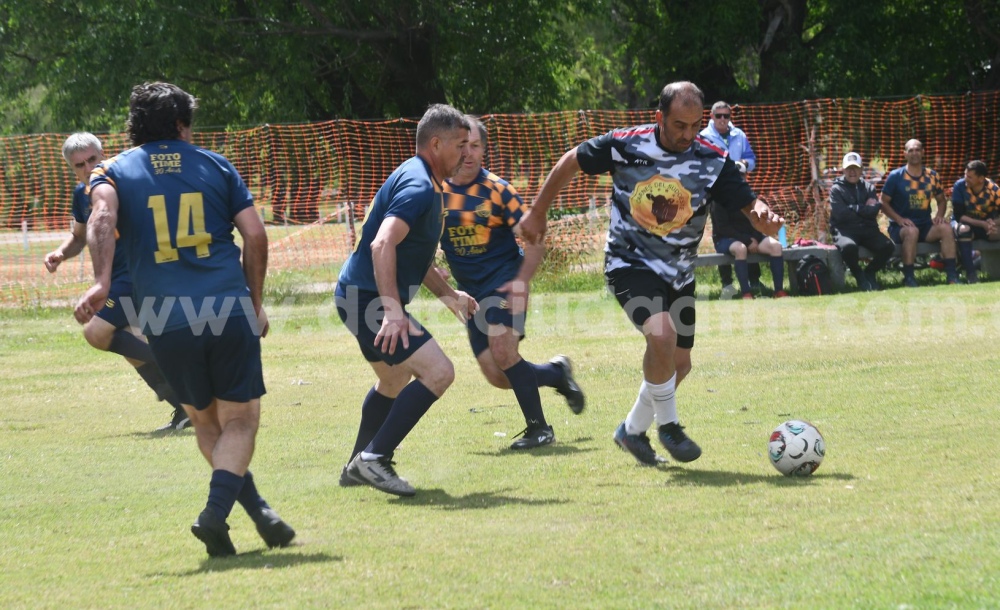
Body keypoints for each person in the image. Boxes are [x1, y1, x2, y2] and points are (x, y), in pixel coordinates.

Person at [74, 82, 294, 557]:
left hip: (162, 316)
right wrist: (253, 302)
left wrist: (102, 280)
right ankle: (216, 515)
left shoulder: (110, 170)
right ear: (180, 124)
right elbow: (255, 236)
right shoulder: (215, 164)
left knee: (205, 421)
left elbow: (101, 220)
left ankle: (258, 514)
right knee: (240, 420)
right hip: (225, 306)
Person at [518, 81, 783, 466]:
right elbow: (572, 159)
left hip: (679, 272)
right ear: (659, 117)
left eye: (695, 126)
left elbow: (747, 202)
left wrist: (762, 215)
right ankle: (669, 426)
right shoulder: (626, 144)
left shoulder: (712, 157)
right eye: (679, 125)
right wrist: (538, 211)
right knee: (661, 335)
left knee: (679, 363)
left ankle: (631, 430)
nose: (687, 135)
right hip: (630, 263)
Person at [335, 104, 476, 497]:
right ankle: (374, 459)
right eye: (461, 145)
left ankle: (356, 466)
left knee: (394, 379)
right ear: (436, 143)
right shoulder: (418, 187)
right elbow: (383, 244)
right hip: (366, 300)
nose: (468, 153)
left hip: (355, 295)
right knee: (439, 372)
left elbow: (411, 254)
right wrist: (393, 312)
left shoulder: (423, 179)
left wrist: (449, 295)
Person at [428, 115, 585, 450]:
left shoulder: (498, 191)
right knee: (498, 376)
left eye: (475, 146)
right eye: (462, 146)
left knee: (503, 351)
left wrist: (522, 282)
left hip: (504, 283)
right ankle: (556, 373)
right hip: (470, 295)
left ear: (484, 150)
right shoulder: (436, 192)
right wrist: (432, 270)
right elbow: (425, 237)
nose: (468, 153)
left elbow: (535, 239)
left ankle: (539, 429)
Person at [44, 132, 189, 433]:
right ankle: (185, 406)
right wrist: (60, 252)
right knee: (130, 346)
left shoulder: (123, 187)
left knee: (96, 332)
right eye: (79, 165)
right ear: (72, 168)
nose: (87, 168)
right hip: (120, 280)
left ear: (103, 155)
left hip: (138, 276)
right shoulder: (80, 195)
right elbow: (79, 236)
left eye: (92, 160)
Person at [700, 101, 762, 298]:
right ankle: (727, 282)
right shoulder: (703, 137)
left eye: (726, 116)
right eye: (718, 116)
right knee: (721, 230)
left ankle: (754, 279)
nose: (723, 119)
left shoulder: (739, 135)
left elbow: (752, 160)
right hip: (713, 191)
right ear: (711, 116)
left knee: (748, 228)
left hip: (738, 188)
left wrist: (743, 163)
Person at [879, 139, 958, 286]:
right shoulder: (896, 176)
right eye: (910, 150)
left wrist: (939, 217)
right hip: (900, 229)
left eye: (917, 150)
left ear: (923, 153)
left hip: (925, 226)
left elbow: (942, 200)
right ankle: (909, 278)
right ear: (905, 154)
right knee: (911, 231)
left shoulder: (932, 176)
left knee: (946, 228)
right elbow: (883, 202)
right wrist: (899, 219)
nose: (914, 153)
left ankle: (952, 276)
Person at [828, 152, 895, 291]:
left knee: (888, 246)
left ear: (861, 169)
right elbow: (841, 215)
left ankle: (869, 272)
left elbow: (874, 211)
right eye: (849, 168)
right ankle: (858, 275)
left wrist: (853, 208)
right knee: (848, 247)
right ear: (844, 170)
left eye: (855, 168)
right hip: (844, 230)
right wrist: (863, 208)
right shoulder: (836, 189)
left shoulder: (869, 187)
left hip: (867, 229)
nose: (852, 172)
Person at [710, 190, 788, 300]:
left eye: (743, 175)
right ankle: (746, 293)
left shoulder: (749, 197)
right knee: (740, 249)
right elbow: (723, 228)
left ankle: (779, 291)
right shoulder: (719, 200)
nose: (742, 178)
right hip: (726, 239)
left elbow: (758, 222)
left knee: (776, 246)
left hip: (752, 238)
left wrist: (754, 238)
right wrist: (747, 241)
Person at [951, 159, 1000, 283]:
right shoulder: (959, 186)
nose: (965, 178)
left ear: (981, 179)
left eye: (969, 177)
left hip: (985, 225)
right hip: (965, 223)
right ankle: (971, 274)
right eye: (965, 175)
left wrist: (993, 224)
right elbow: (959, 216)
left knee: (995, 233)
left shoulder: (994, 190)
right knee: (964, 230)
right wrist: (982, 224)